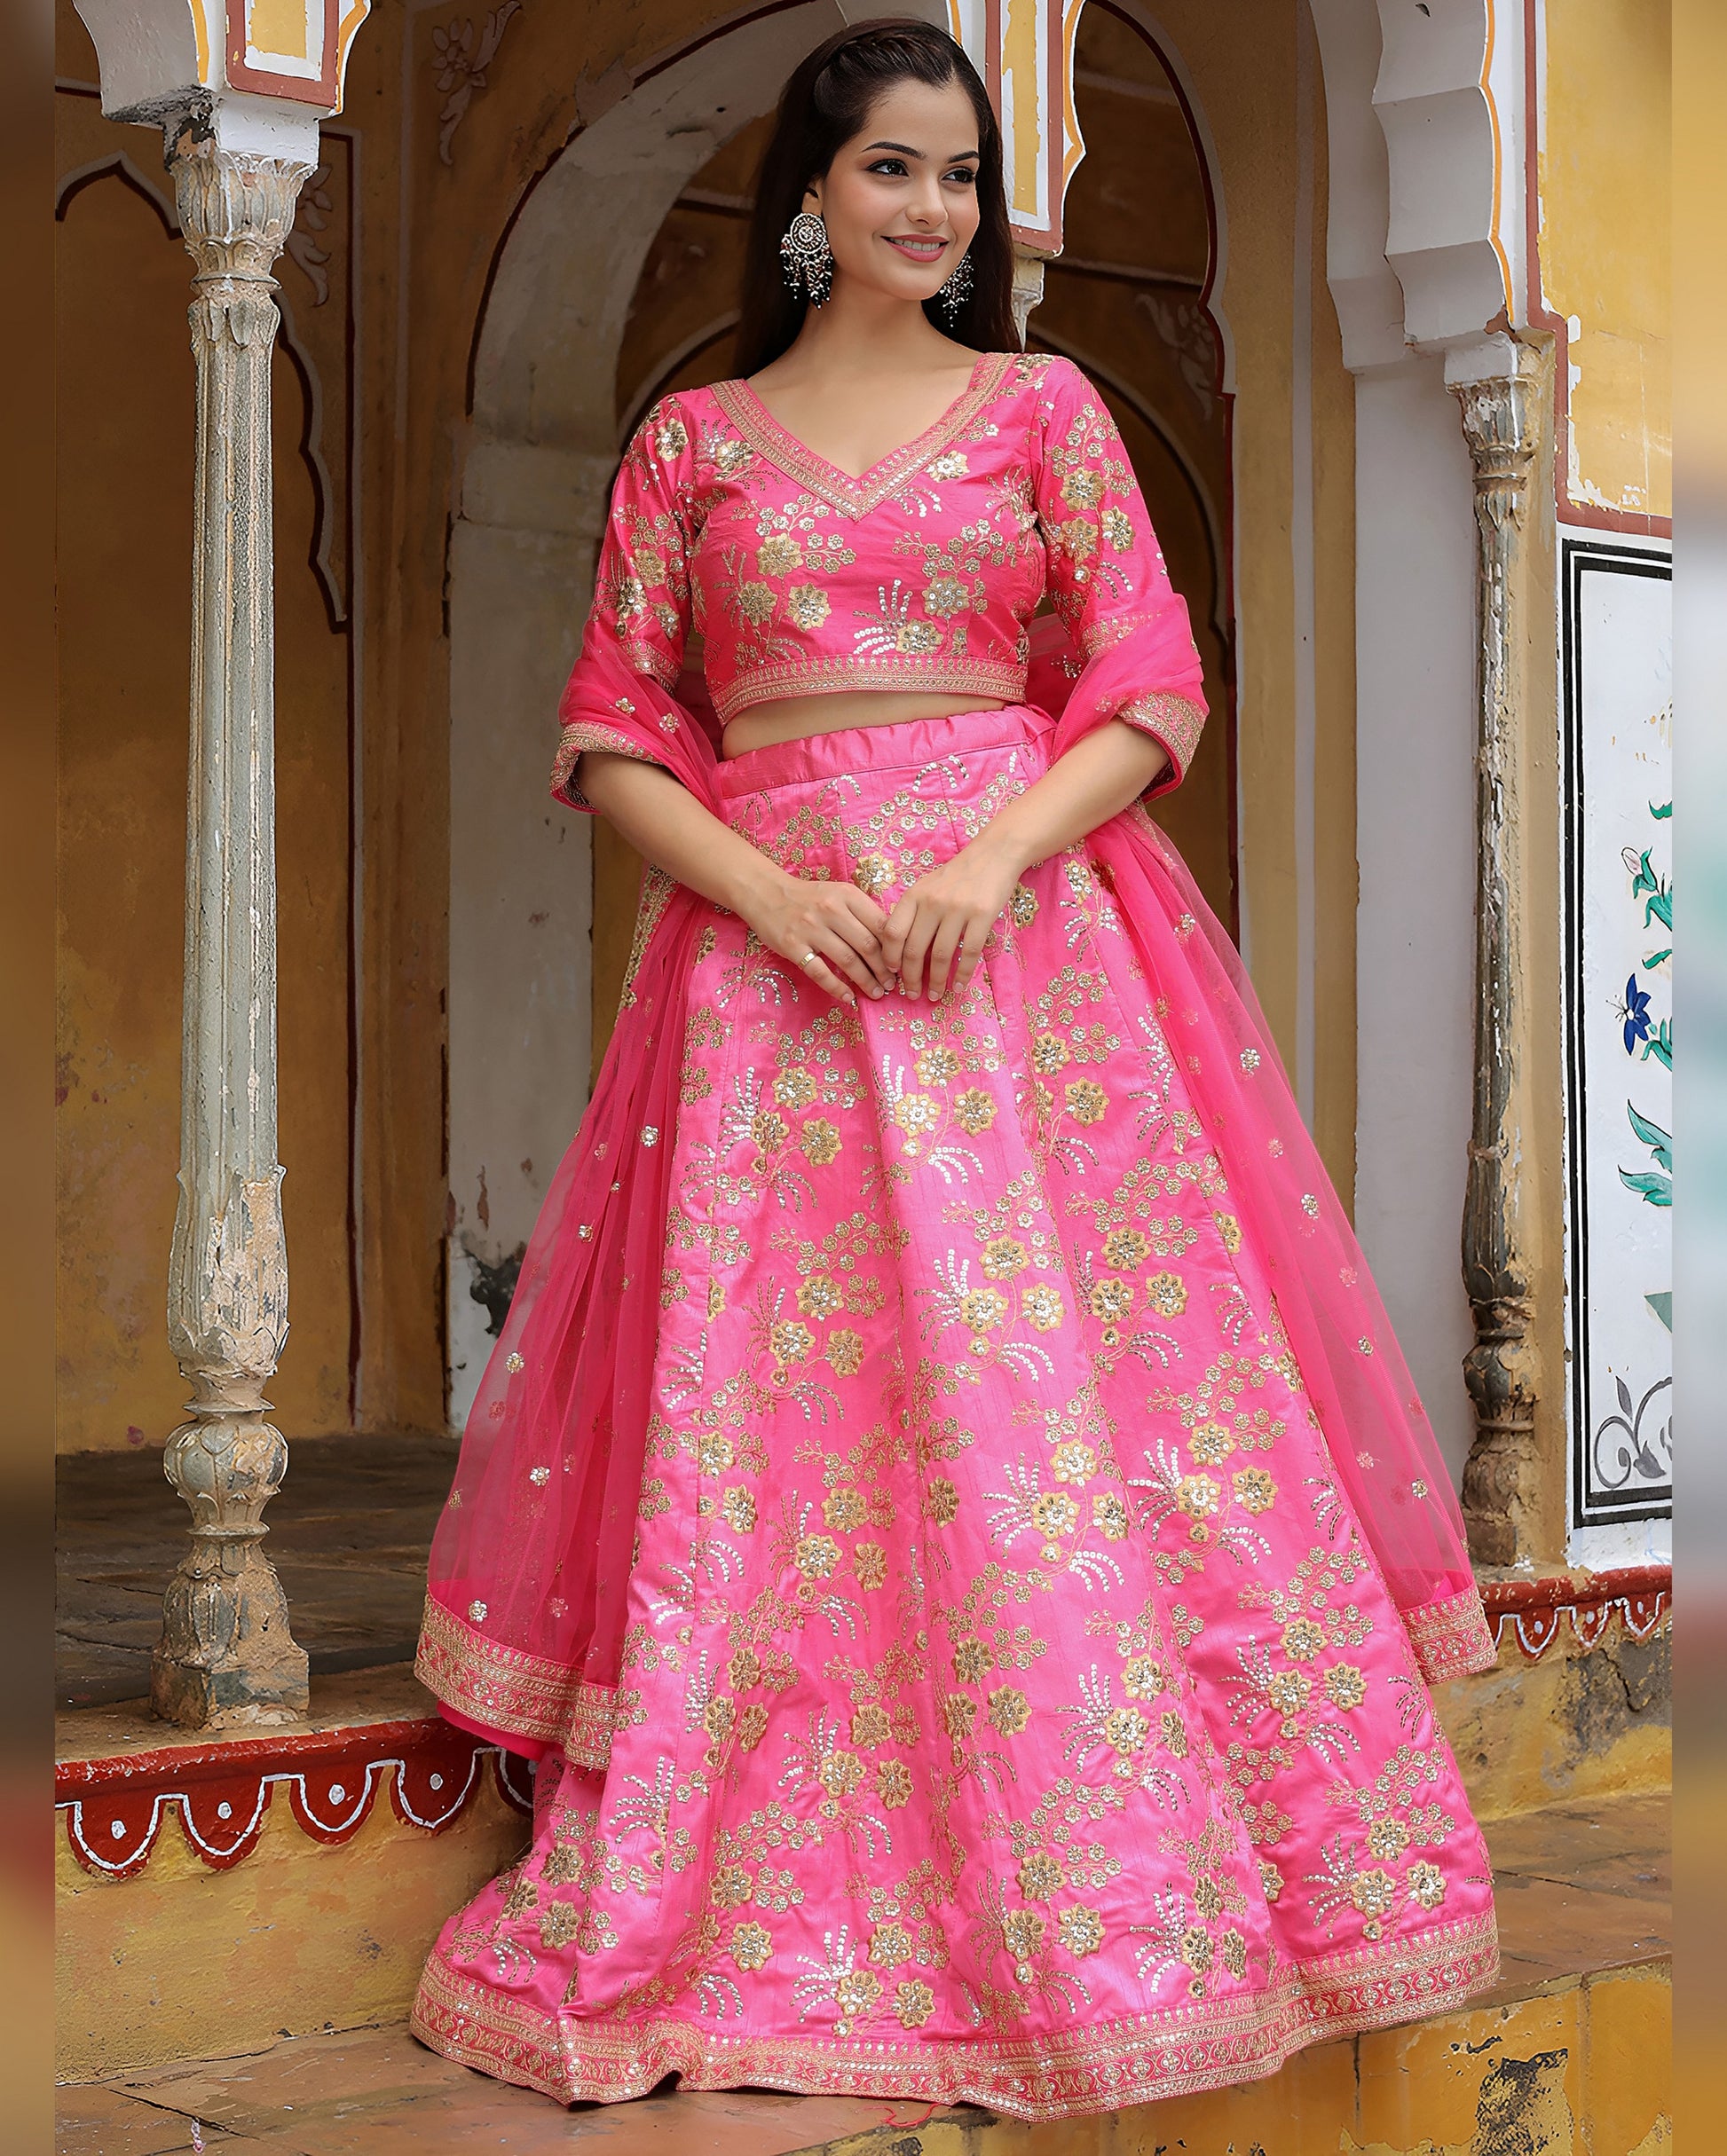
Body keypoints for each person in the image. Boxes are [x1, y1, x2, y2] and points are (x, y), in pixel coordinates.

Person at [409, 19, 1499, 2118]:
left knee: (1052, 1408)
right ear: (808, 197)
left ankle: (1113, 1894)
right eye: (889, 168)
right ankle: (778, 1888)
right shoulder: (693, 448)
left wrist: (990, 861)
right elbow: (616, 728)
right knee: (790, 1427)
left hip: (1019, 972)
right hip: (771, 981)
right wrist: (766, 893)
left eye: (958, 173)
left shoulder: (1043, 411)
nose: (931, 208)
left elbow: (1147, 679)